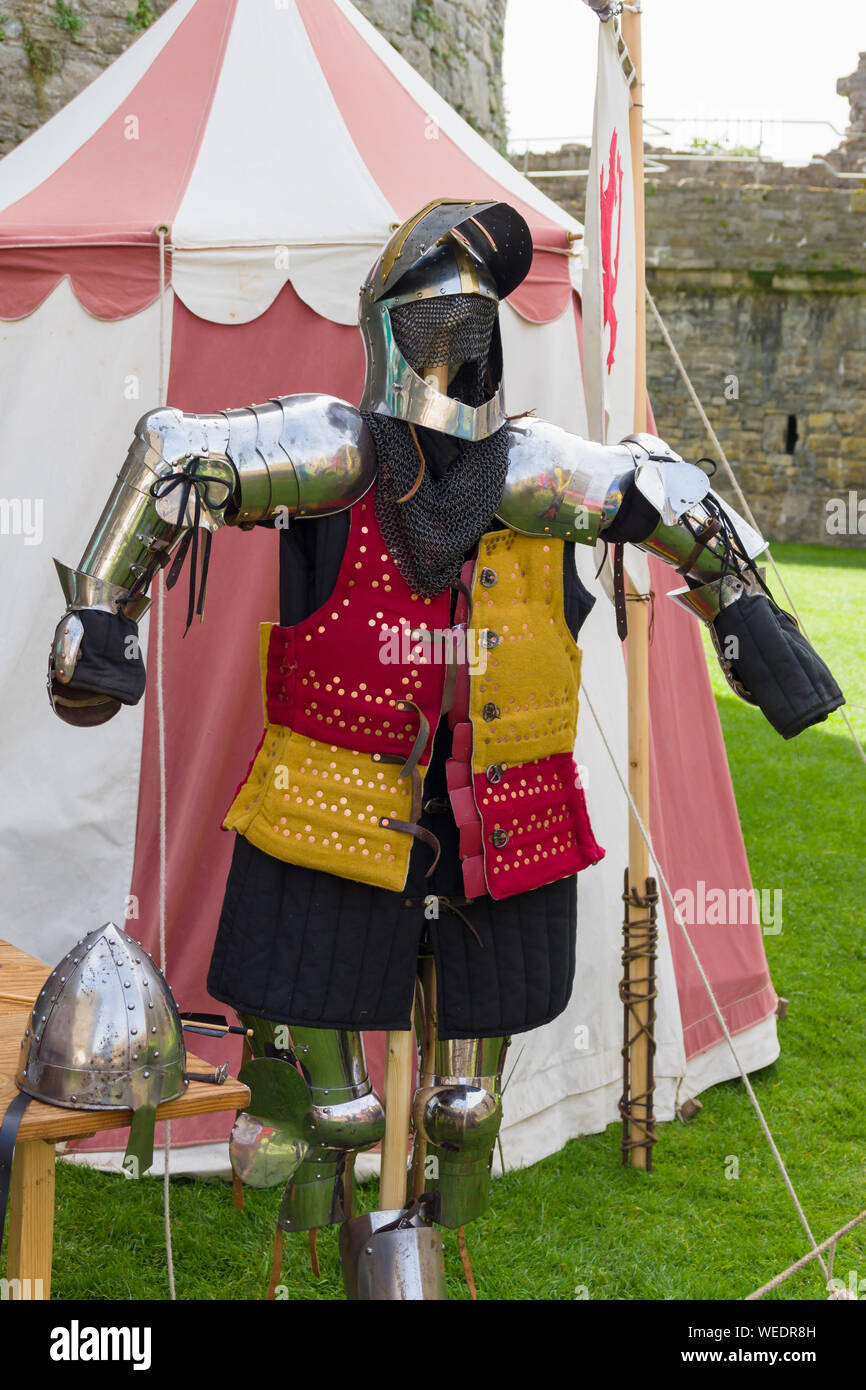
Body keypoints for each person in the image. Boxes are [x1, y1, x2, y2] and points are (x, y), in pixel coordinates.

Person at [47, 199, 843, 1299]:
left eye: (472, 325)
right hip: (326, 814)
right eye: (432, 323)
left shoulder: (537, 474)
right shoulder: (330, 449)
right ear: (383, 330)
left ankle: (433, 1260)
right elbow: (176, 452)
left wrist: (755, 626)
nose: (453, 348)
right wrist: (96, 613)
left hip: (501, 823)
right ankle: (308, 1262)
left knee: (464, 1112)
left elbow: (667, 492)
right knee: (331, 1111)